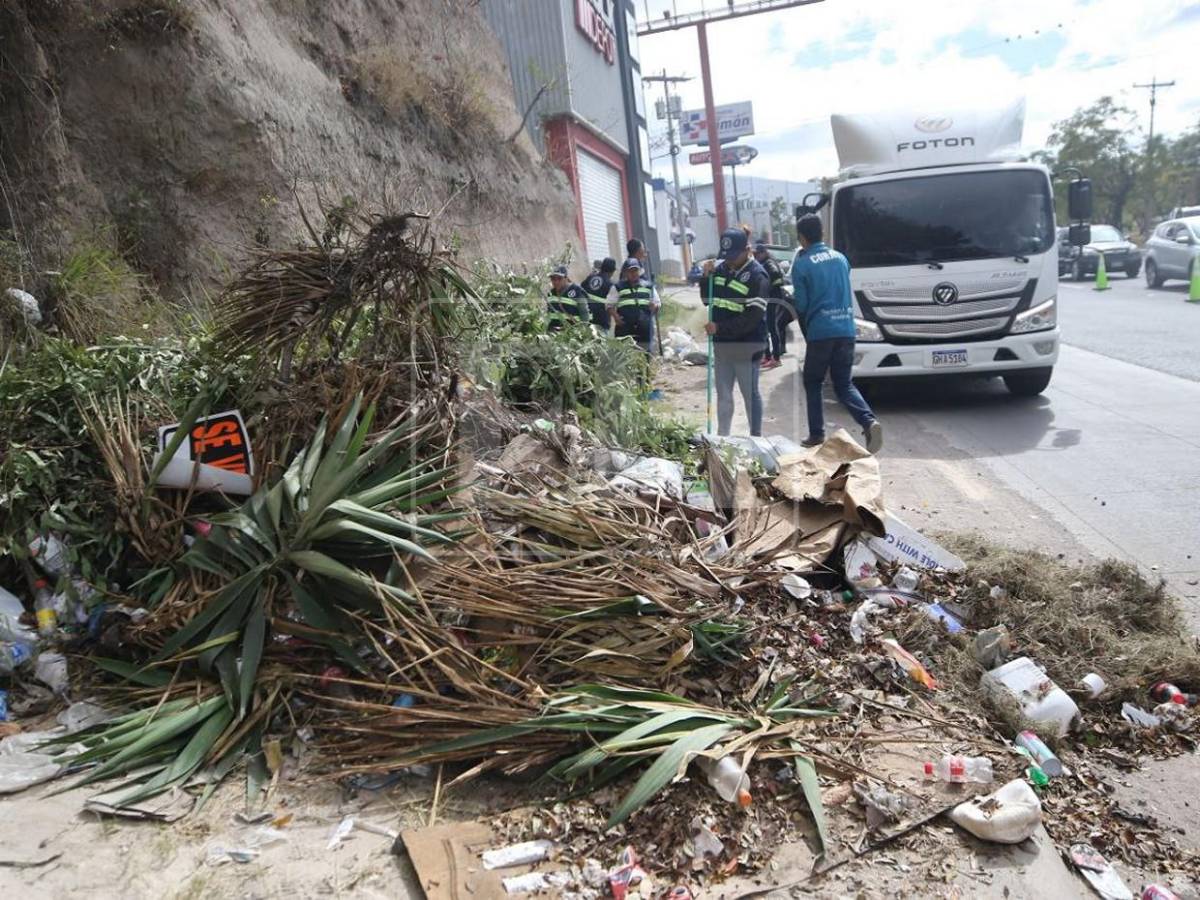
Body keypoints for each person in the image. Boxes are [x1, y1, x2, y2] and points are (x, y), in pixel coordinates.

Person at [791, 214, 883, 452]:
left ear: (801, 238)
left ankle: (816, 434)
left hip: (821, 332)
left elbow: (801, 305)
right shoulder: (841, 259)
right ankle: (868, 421)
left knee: (813, 381)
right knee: (843, 384)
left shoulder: (801, 264)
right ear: (822, 233)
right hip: (846, 328)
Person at [701, 228, 768, 436]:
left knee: (750, 394)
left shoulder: (758, 276)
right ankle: (722, 439)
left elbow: (752, 318)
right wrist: (706, 278)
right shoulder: (721, 270)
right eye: (726, 256)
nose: (729, 261)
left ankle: (755, 437)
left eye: (733, 256)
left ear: (747, 250)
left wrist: (720, 327)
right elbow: (707, 300)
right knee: (723, 396)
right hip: (722, 347)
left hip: (746, 346)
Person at [611, 257, 659, 354]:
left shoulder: (649, 286)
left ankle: (646, 368)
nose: (633, 274)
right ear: (625, 273)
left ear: (639, 271)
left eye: (635, 270)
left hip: (644, 327)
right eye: (630, 271)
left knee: (645, 353)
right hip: (625, 328)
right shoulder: (618, 287)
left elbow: (657, 304)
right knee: (625, 353)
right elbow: (609, 305)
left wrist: (654, 307)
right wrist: (616, 317)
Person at [545, 265, 588, 331]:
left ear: (566, 278)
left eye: (559, 278)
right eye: (553, 279)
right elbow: (549, 314)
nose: (556, 282)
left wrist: (582, 331)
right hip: (553, 334)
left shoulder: (577, 292)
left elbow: (584, 313)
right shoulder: (550, 294)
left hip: (572, 334)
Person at [582, 257, 617, 331]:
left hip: (588, 320)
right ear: (612, 271)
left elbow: (581, 289)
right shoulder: (610, 285)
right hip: (602, 322)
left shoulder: (590, 278)